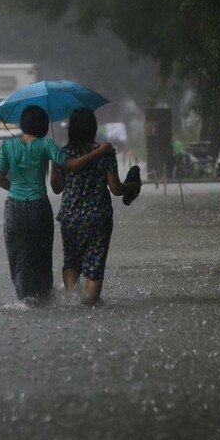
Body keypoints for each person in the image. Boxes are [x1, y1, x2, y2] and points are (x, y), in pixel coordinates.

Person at [0, 105, 113, 301]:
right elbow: (73, 164)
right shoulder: (45, 145)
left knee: (17, 253)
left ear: (23, 124)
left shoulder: (6, 146)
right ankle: (43, 297)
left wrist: (15, 191)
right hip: (39, 206)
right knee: (41, 255)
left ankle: (23, 298)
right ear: (42, 125)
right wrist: (101, 150)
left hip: (13, 208)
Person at [50, 108, 141, 303]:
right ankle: (90, 305)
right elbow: (116, 189)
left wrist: (54, 164)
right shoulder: (105, 153)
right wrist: (132, 186)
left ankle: (72, 302)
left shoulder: (64, 154)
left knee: (71, 261)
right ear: (93, 128)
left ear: (72, 129)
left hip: (70, 217)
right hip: (98, 217)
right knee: (95, 265)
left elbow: (57, 188)